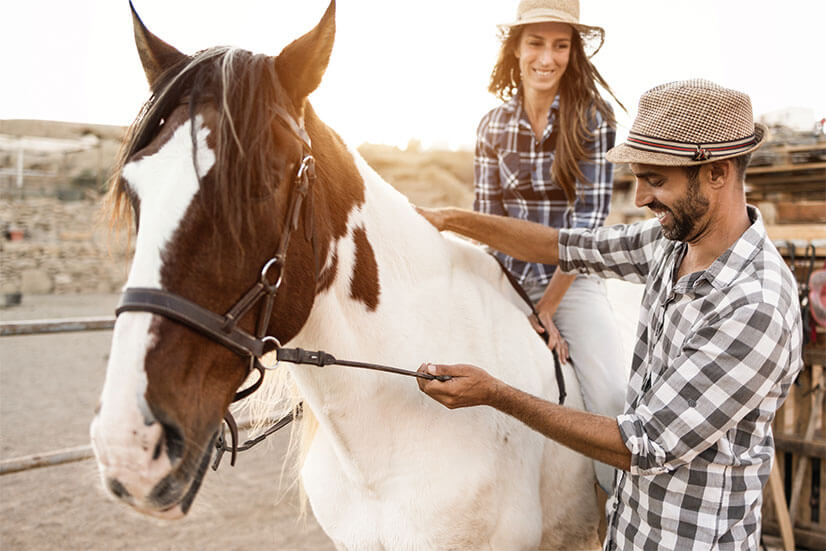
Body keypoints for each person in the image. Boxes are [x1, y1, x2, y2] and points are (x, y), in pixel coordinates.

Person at [417, 79, 803, 550]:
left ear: (718, 172)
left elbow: (640, 443)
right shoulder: (672, 242)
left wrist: (495, 393)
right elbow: (563, 245)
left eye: (656, 179)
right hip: (628, 535)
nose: (639, 197)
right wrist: (450, 219)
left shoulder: (754, 307)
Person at [475, 0, 627, 493]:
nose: (548, 57)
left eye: (561, 45)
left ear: (573, 53)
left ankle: (618, 514)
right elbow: (488, 221)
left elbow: (587, 226)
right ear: (515, 49)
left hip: (572, 283)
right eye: (536, 43)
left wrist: (547, 308)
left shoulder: (593, 119)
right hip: (506, 279)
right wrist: (515, 298)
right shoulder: (492, 126)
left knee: (609, 396)